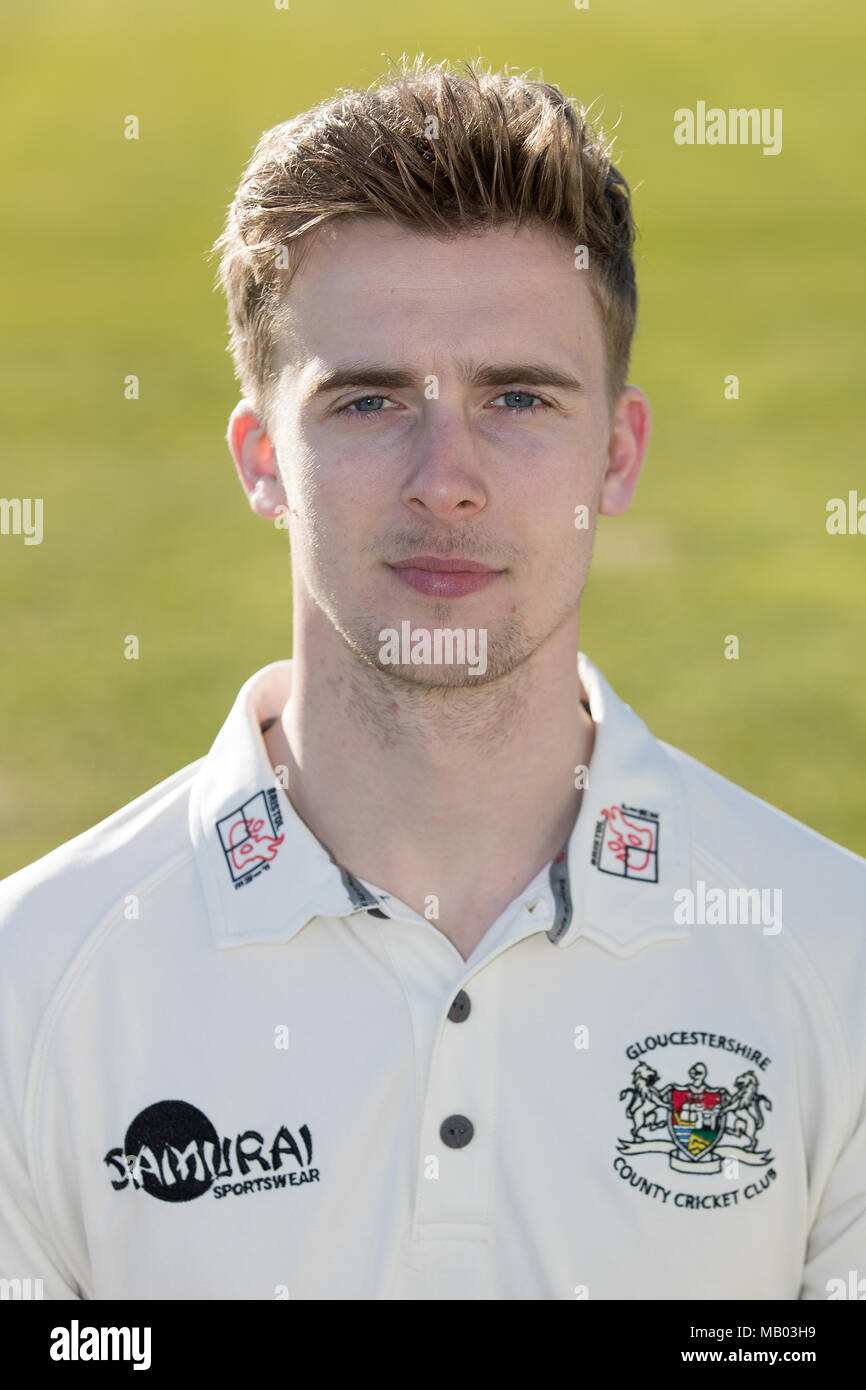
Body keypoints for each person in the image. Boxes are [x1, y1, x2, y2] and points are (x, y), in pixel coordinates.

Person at [0, 56, 863, 1302]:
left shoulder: (831, 960)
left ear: (615, 453)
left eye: (516, 396)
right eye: (365, 403)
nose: (442, 477)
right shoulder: (30, 985)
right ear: (261, 460)